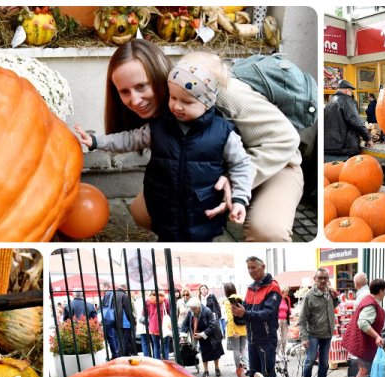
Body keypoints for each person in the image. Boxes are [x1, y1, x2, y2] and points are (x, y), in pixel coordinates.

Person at [104, 39, 304, 242]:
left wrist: (234, 181)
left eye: (141, 86)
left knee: (267, 231)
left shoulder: (220, 91)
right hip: (215, 171)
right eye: (124, 91)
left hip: (275, 163)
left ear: (159, 76)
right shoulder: (173, 105)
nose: (135, 100)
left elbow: (287, 139)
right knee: (143, 211)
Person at [77, 53, 253, 242]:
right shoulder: (159, 126)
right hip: (164, 204)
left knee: (198, 245)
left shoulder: (224, 133)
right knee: (166, 241)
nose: (177, 106)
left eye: (187, 102)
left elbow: (241, 165)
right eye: (173, 97)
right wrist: (97, 141)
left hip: (202, 209)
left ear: (208, 102)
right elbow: (128, 139)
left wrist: (239, 199)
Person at [341, 279, 385, 377]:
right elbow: (363, 323)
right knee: (371, 374)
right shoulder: (371, 304)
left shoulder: (369, 300)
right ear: (380, 291)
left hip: (365, 344)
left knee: (364, 372)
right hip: (367, 344)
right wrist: (377, 336)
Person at [231, 256, 281, 377]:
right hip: (252, 340)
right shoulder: (250, 288)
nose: (250, 271)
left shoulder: (273, 287)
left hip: (266, 340)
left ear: (263, 267)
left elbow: (268, 314)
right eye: (248, 268)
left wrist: (245, 313)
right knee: (254, 376)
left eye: (253, 267)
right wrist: (238, 313)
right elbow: (246, 313)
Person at [297, 268, 339, 377]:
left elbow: (333, 307)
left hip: (327, 334)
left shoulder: (330, 293)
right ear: (315, 279)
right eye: (320, 278)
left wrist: (335, 299)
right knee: (310, 360)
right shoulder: (309, 296)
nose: (322, 280)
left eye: (325, 278)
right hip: (313, 334)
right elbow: (302, 318)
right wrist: (304, 337)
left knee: (324, 363)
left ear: (328, 279)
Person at [323, 79, 374, 161]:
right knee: (348, 172)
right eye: (351, 91)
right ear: (347, 90)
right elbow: (356, 122)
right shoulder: (346, 101)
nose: (351, 93)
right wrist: (368, 138)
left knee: (332, 173)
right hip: (344, 148)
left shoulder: (329, 103)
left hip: (328, 149)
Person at [180, 298, 224, 377]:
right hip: (200, 334)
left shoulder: (207, 311)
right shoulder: (191, 312)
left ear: (198, 307)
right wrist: (183, 336)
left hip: (212, 334)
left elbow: (212, 325)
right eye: (190, 309)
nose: (192, 311)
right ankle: (206, 371)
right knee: (204, 352)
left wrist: (202, 334)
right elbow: (185, 323)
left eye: (193, 309)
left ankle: (217, 369)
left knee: (215, 353)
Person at [223, 283, 248, 377]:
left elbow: (230, 316)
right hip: (243, 328)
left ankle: (239, 369)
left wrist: (232, 330)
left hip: (234, 329)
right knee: (242, 349)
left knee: (236, 350)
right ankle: (245, 367)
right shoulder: (241, 298)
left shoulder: (227, 301)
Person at [101, 282, 136, 357]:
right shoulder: (124, 296)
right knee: (125, 341)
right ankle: (123, 356)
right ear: (125, 288)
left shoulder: (113, 295)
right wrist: (133, 321)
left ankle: (120, 354)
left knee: (119, 340)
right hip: (124, 322)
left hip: (115, 321)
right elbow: (128, 311)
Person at [145, 291, 171, 360]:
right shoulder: (165, 300)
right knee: (165, 345)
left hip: (153, 326)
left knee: (156, 345)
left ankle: (158, 363)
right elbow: (169, 312)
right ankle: (166, 363)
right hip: (164, 326)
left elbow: (144, 313)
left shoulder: (148, 301)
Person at [277, 286, 292, 359]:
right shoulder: (277, 299)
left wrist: (292, 316)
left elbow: (289, 311)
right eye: (286, 292)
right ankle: (277, 354)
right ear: (282, 291)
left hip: (285, 321)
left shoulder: (287, 299)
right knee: (279, 339)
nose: (287, 293)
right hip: (278, 321)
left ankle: (283, 354)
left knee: (284, 339)